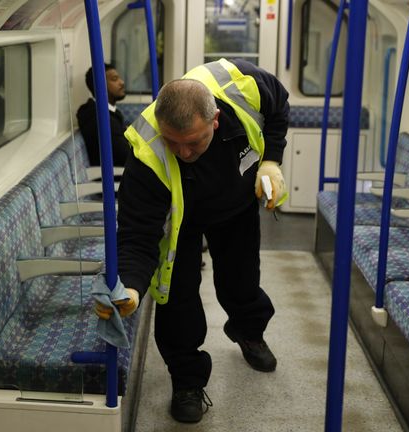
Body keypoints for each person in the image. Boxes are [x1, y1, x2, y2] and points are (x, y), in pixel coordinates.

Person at [94, 58, 289, 423]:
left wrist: (272, 161)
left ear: (215, 120)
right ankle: (186, 380)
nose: (183, 153)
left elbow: (279, 107)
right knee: (178, 296)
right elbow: (137, 234)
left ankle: (248, 332)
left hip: (236, 203)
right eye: (175, 143)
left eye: (194, 142)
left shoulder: (244, 85)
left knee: (241, 279)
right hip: (179, 218)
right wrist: (133, 289)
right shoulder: (147, 154)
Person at [76, 64, 131, 167]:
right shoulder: (100, 119)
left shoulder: (109, 113)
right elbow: (126, 155)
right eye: (114, 79)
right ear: (100, 85)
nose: (122, 82)